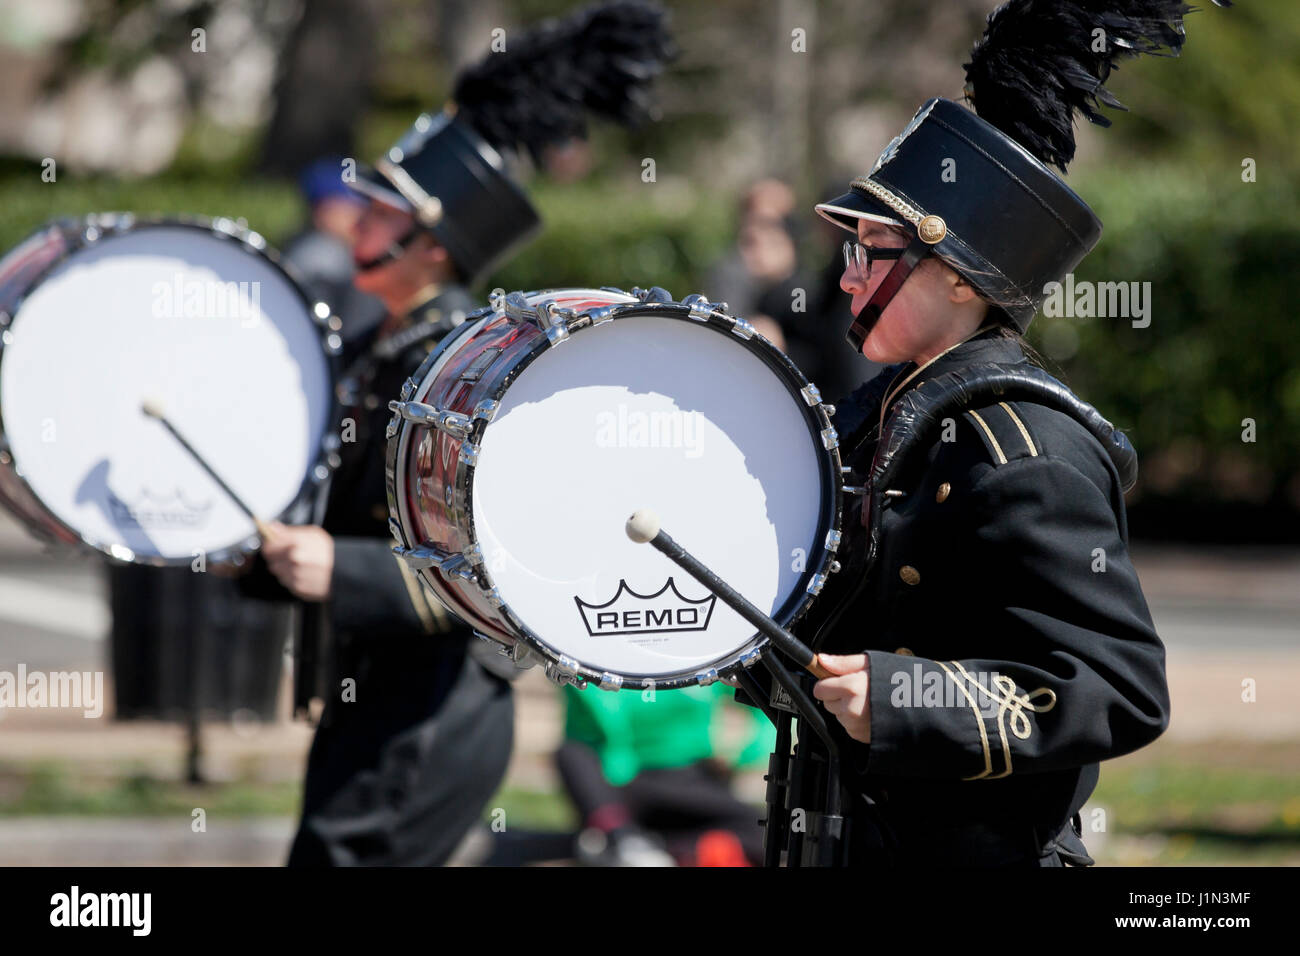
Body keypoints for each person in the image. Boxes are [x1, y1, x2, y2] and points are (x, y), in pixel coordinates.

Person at [749, 0, 1229, 867]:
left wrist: (908, 702)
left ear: (965, 279)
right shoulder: (884, 414)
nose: (848, 279)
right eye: (848, 251)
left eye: (875, 250)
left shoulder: (1026, 450)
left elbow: (1120, 687)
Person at [240, 0, 675, 865]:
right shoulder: (380, 343)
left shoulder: (456, 367)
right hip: (379, 690)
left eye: (382, 212)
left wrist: (345, 569)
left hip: (435, 706)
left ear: (434, 246)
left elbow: (499, 551)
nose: (356, 223)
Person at [556, 682, 774, 866]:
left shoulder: (706, 657)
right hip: (617, 778)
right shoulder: (600, 654)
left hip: (685, 780)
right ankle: (620, 836)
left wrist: (739, 755)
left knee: (768, 834)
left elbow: (765, 711)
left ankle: (641, 846)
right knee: (572, 753)